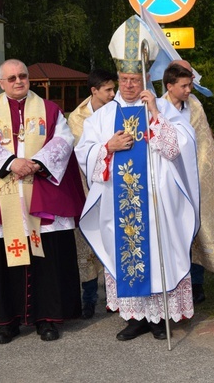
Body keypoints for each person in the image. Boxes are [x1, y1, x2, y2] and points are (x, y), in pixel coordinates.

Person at [76, 15, 200, 341]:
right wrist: (108, 146)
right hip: (120, 203)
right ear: (117, 78)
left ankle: (160, 317)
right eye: (124, 78)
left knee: (159, 252)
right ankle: (136, 317)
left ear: (144, 78)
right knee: (126, 250)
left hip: (158, 201)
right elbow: (85, 153)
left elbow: (179, 148)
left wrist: (157, 117)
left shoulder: (162, 108)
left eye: (135, 78)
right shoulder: (101, 117)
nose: (129, 85)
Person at [0, 59, 85, 344]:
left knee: (47, 260)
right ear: (1, 83)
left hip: (41, 193)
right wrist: (10, 162)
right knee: (5, 262)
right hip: (4, 196)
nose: (18, 81)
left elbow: (64, 140)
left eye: (23, 76)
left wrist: (38, 162)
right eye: (12, 78)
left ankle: (48, 318)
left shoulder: (50, 110)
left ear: (30, 80)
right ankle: (8, 321)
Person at [162, 60, 214, 304]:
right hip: (171, 178)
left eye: (190, 85)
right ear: (170, 86)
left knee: (197, 229)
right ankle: (177, 284)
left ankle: (197, 284)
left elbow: (204, 140)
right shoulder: (158, 108)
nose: (189, 90)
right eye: (185, 86)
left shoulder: (194, 106)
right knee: (176, 232)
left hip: (195, 174)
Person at [67, 68, 117, 318]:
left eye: (113, 88)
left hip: (113, 185)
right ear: (93, 91)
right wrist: (107, 147)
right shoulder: (78, 118)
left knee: (112, 239)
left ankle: (114, 297)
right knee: (86, 244)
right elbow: (83, 153)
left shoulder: (119, 109)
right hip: (86, 188)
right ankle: (88, 298)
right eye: (107, 89)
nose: (113, 93)